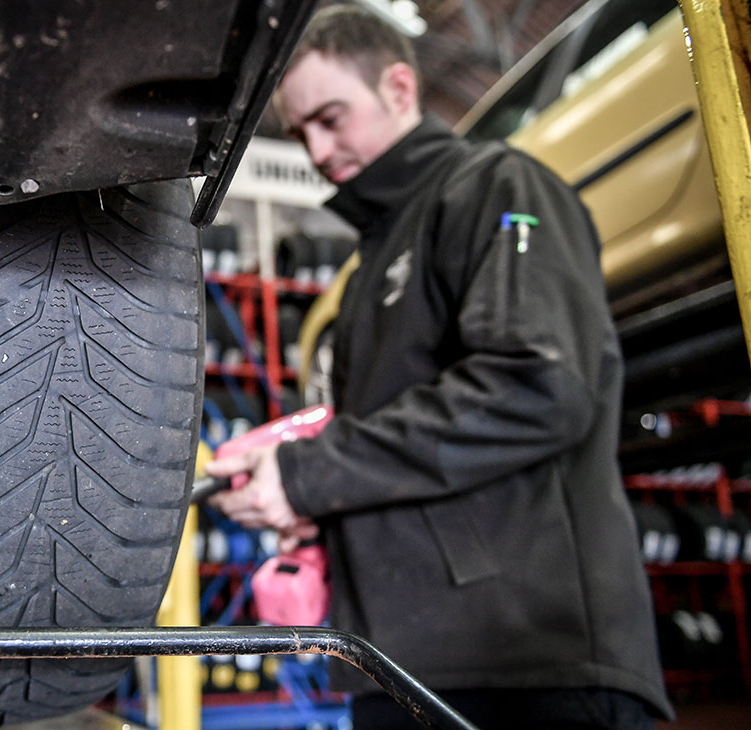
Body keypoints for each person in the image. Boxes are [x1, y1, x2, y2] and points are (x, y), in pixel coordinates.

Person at [206, 6, 672, 729]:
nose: (318, 151)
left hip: (523, 667)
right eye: (302, 133)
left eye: (332, 118)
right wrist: (307, 492)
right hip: (395, 662)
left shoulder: (499, 189)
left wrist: (309, 473)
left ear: (398, 87)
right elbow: (397, 443)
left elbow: (538, 384)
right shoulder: (367, 271)